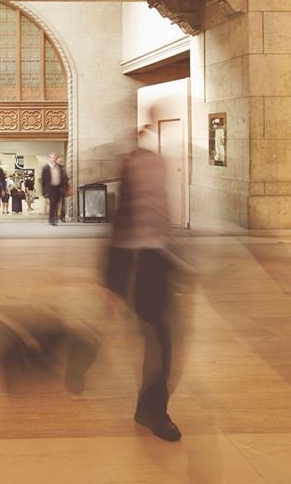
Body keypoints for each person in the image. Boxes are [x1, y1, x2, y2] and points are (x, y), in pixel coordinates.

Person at [102, 121, 182, 442]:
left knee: (162, 339)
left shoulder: (157, 164)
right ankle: (153, 410)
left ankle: (151, 408)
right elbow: (121, 222)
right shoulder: (135, 166)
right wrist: (112, 282)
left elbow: (161, 220)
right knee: (159, 339)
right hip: (137, 264)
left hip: (158, 261)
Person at [41, 153, 68, 226]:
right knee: (53, 204)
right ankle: (52, 219)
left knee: (56, 204)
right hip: (50, 188)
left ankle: (54, 218)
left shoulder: (60, 167)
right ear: (50, 159)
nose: (54, 160)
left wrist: (64, 187)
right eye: (53, 158)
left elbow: (64, 178)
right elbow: (43, 181)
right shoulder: (45, 168)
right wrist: (44, 192)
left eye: (55, 158)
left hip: (58, 188)